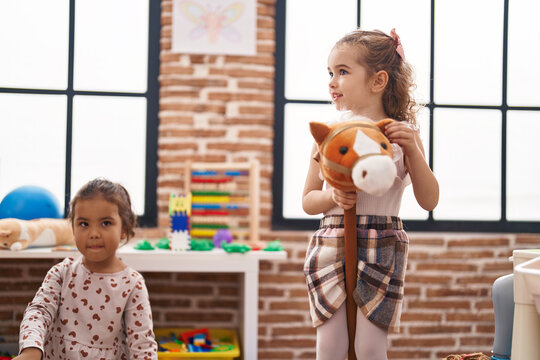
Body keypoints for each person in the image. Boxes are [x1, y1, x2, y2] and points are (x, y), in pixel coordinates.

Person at [303, 29, 439, 360]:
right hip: (331, 243)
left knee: (369, 346)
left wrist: (413, 153)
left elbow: (429, 200)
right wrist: (334, 197)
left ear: (378, 81)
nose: (333, 81)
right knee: (331, 345)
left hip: (383, 247)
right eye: (330, 73)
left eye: (343, 72)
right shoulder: (329, 136)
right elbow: (308, 200)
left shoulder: (403, 137)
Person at [16, 178, 158, 360]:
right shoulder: (61, 273)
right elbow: (38, 312)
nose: (94, 233)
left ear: (124, 228)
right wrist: (31, 349)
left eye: (106, 223)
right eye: (84, 224)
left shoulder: (132, 284)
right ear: (73, 229)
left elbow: (143, 346)